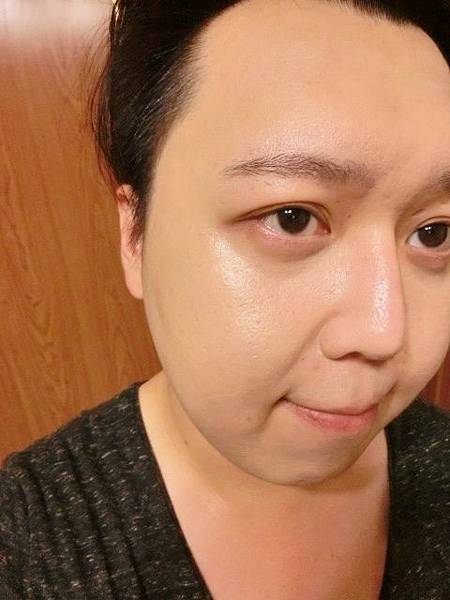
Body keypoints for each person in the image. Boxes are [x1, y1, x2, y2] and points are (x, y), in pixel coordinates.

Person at [1, 0, 449, 598]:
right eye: (292, 218)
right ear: (135, 235)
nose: (385, 333)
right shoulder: (28, 546)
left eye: (434, 233)